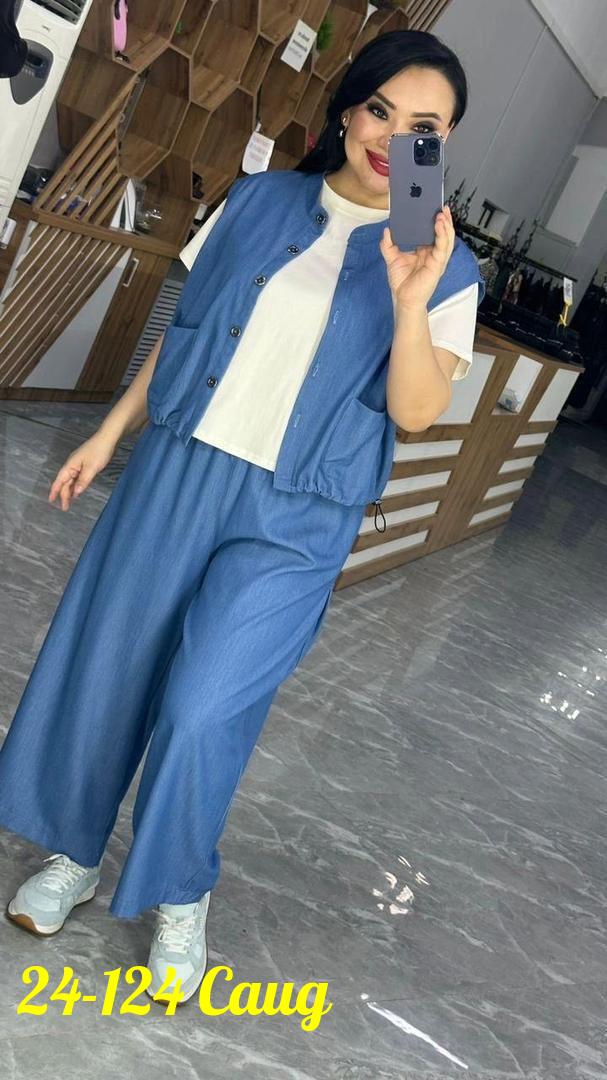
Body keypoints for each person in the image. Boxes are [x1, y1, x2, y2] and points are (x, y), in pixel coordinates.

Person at [0, 29, 485, 1005]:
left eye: (423, 129)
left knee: (202, 707)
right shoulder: (257, 201)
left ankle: (181, 890)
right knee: (108, 670)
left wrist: (410, 298)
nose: (392, 138)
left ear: (442, 148)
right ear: (347, 110)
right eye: (379, 110)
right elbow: (183, 334)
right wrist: (111, 432)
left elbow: (415, 411)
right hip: (179, 472)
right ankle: (77, 855)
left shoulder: (447, 264)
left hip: (299, 513)